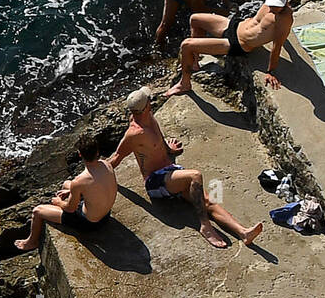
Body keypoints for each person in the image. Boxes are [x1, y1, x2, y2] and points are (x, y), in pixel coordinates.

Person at [109, 88, 263, 249]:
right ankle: (205, 225)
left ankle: (243, 232)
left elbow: (157, 136)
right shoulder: (134, 133)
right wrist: (98, 176)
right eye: (149, 99)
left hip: (171, 171)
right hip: (155, 181)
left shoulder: (149, 117)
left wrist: (168, 149)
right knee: (195, 176)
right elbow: (116, 157)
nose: (151, 100)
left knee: (208, 201)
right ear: (146, 105)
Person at [166, 0, 293, 97]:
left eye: (276, 6)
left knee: (186, 45)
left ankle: (185, 83)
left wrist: (270, 71)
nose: (272, 8)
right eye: (271, 3)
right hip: (235, 26)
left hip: (238, 44)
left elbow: (277, 46)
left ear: (285, 0)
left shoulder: (284, 19)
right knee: (194, 19)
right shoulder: (270, 3)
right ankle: (195, 62)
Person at [14, 138, 118, 252]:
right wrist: (70, 191)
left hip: (90, 223)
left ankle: (32, 242)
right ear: (97, 152)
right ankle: (65, 200)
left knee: (37, 211)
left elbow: (70, 208)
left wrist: (58, 203)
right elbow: (94, 184)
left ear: (80, 154)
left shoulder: (79, 181)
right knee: (66, 184)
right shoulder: (106, 164)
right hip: (106, 215)